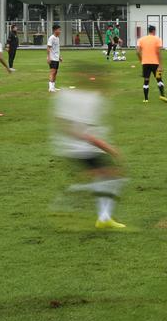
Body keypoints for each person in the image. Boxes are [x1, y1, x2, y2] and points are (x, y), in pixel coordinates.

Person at [51, 77, 127, 229]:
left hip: (81, 148)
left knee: (105, 177)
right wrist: (111, 150)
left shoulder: (83, 100)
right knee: (114, 177)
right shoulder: (89, 103)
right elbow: (88, 136)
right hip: (84, 149)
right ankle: (72, 196)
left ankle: (104, 218)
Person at [136, 25, 167, 103]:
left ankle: (146, 99)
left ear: (148, 31)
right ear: (154, 31)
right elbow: (158, 52)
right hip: (155, 64)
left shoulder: (141, 39)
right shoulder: (157, 39)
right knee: (159, 79)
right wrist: (160, 65)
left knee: (146, 80)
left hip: (145, 63)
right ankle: (162, 95)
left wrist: (141, 60)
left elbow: (137, 52)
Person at [46, 24, 62, 93]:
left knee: (55, 72)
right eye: (59, 30)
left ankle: (53, 87)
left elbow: (56, 49)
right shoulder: (51, 38)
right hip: (52, 58)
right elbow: (48, 48)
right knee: (52, 72)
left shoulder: (57, 38)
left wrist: (59, 57)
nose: (60, 31)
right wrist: (48, 57)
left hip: (56, 58)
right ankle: (50, 88)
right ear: (55, 30)